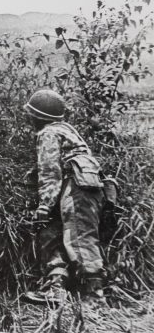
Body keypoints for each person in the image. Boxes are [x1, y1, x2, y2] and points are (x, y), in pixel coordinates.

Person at [21, 89, 106, 305]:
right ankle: (55, 287)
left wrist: (44, 206)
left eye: (31, 115)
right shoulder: (68, 130)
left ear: (38, 117)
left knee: (79, 237)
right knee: (56, 230)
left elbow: (50, 172)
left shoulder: (48, 133)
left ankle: (94, 296)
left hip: (76, 188)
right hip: (84, 188)